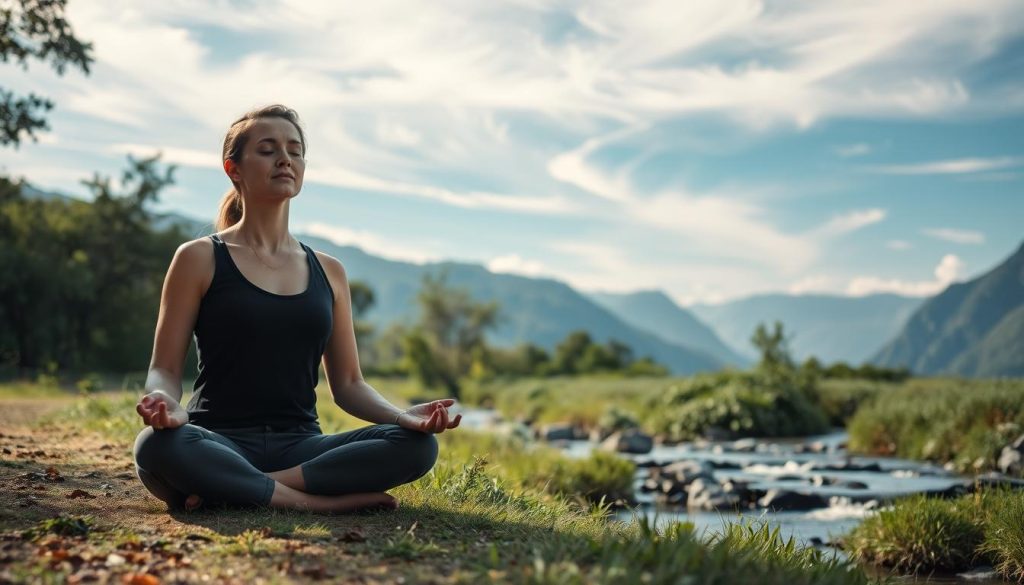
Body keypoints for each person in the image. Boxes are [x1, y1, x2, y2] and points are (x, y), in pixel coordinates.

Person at [132, 104, 461, 514]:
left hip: (301, 447)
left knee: (416, 447)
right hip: (216, 440)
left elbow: (349, 386)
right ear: (233, 168)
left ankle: (239, 488)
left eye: (295, 150)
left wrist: (401, 418)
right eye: (268, 149)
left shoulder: (330, 271)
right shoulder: (199, 257)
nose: (285, 159)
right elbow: (164, 368)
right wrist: (165, 403)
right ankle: (314, 504)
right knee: (157, 445)